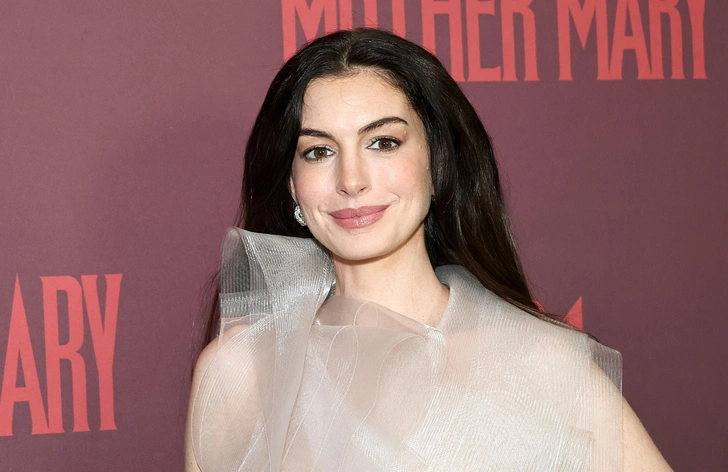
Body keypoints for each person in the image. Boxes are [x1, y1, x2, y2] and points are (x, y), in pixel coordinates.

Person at [185, 28, 672, 471]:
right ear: (292, 184)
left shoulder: (538, 361)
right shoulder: (240, 371)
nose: (351, 180)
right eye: (319, 151)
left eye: (383, 142)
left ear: (437, 162)